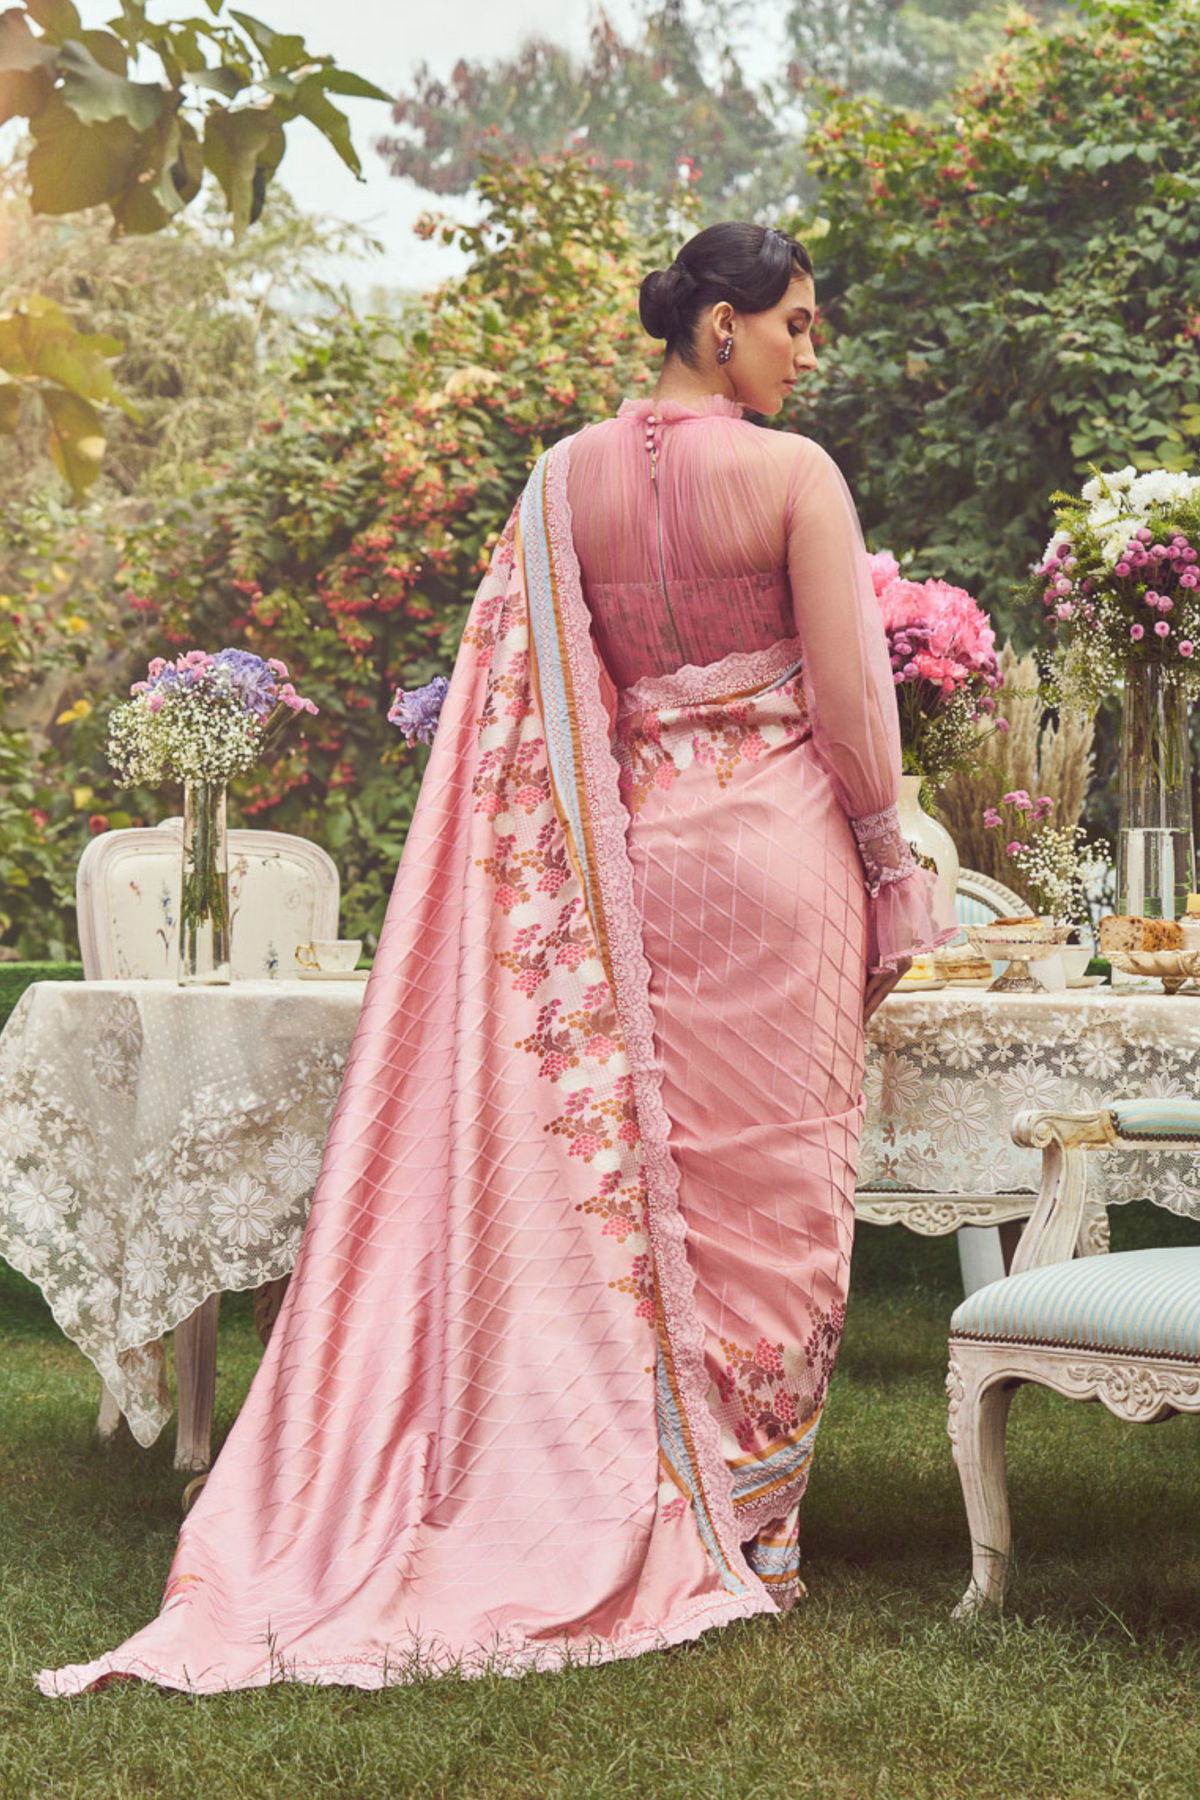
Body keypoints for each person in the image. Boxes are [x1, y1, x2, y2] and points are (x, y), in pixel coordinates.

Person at [41, 222, 954, 1698]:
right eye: (791, 322)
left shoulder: (561, 484)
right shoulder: (796, 479)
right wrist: (896, 871)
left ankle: (654, 1482)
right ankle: (755, 1528)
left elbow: (547, 700)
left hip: (633, 862)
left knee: (658, 1174)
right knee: (772, 1175)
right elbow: (853, 712)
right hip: (777, 863)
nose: (807, 349)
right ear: (715, 329)